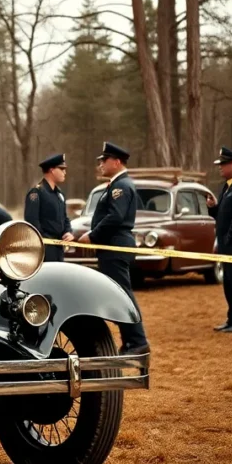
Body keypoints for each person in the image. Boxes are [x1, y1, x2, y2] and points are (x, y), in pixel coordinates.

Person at [78, 142, 150, 355]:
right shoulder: (117, 184)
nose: (100, 164)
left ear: (117, 162)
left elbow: (116, 217)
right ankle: (130, 342)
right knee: (119, 295)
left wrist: (92, 235)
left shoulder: (121, 186)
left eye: (104, 160)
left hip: (116, 247)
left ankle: (138, 342)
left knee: (122, 296)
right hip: (113, 247)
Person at [207, 146, 232, 333]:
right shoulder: (229, 184)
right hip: (227, 242)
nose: (220, 167)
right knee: (229, 281)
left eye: (224, 164)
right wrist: (214, 208)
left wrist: (229, 238)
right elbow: (224, 216)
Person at [24, 153, 75, 262]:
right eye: (61, 169)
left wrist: (68, 232)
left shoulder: (59, 194)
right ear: (52, 170)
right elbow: (32, 221)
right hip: (44, 247)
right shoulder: (37, 192)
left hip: (58, 247)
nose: (65, 172)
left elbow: (64, 218)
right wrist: (44, 242)